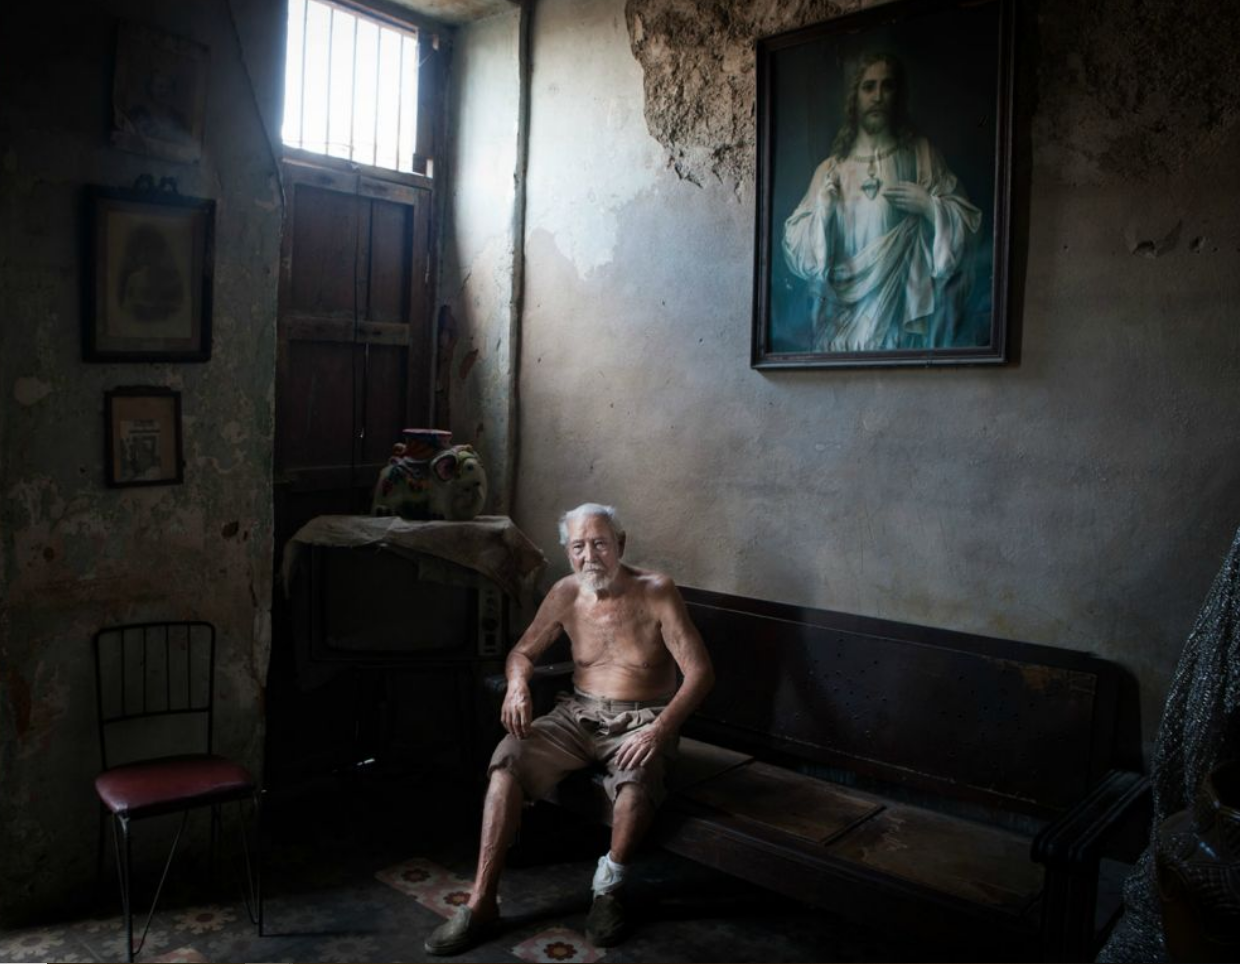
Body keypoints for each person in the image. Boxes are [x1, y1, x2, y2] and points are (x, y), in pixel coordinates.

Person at [424, 503, 715, 955]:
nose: (590, 556)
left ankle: (608, 891)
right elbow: (522, 653)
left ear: (621, 544)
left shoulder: (657, 591)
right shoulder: (564, 593)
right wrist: (518, 685)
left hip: (641, 720)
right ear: (568, 552)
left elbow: (700, 674)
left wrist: (659, 731)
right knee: (506, 763)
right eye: (578, 546)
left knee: (635, 788)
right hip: (576, 715)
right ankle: (482, 902)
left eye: (600, 543)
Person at [781, 51, 982, 352]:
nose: (878, 96)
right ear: (854, 96)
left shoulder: (921, 156)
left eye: (887, 86)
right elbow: (797, 248)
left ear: (898, 94)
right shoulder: (830, 169)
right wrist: (823, 212)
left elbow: (970, 226)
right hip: (842, 326)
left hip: (901, 323)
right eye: (868, 86)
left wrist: (930, 207)